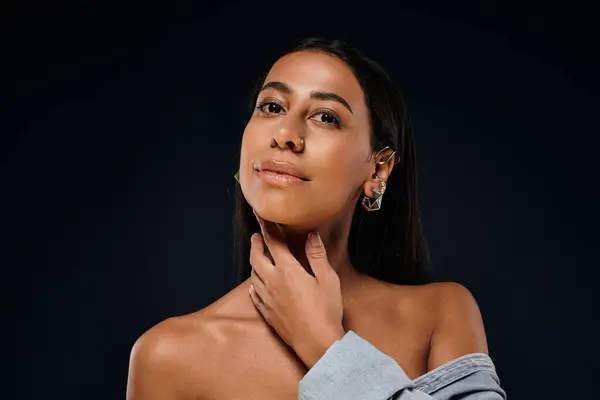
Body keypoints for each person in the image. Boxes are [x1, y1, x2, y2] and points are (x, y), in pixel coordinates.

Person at [126, 38, 506, 399]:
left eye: (326, 116)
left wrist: (325, 345)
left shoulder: (440, 315)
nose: (286, 134)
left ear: (379, 170)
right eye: (272, 107)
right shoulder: (168, 355)